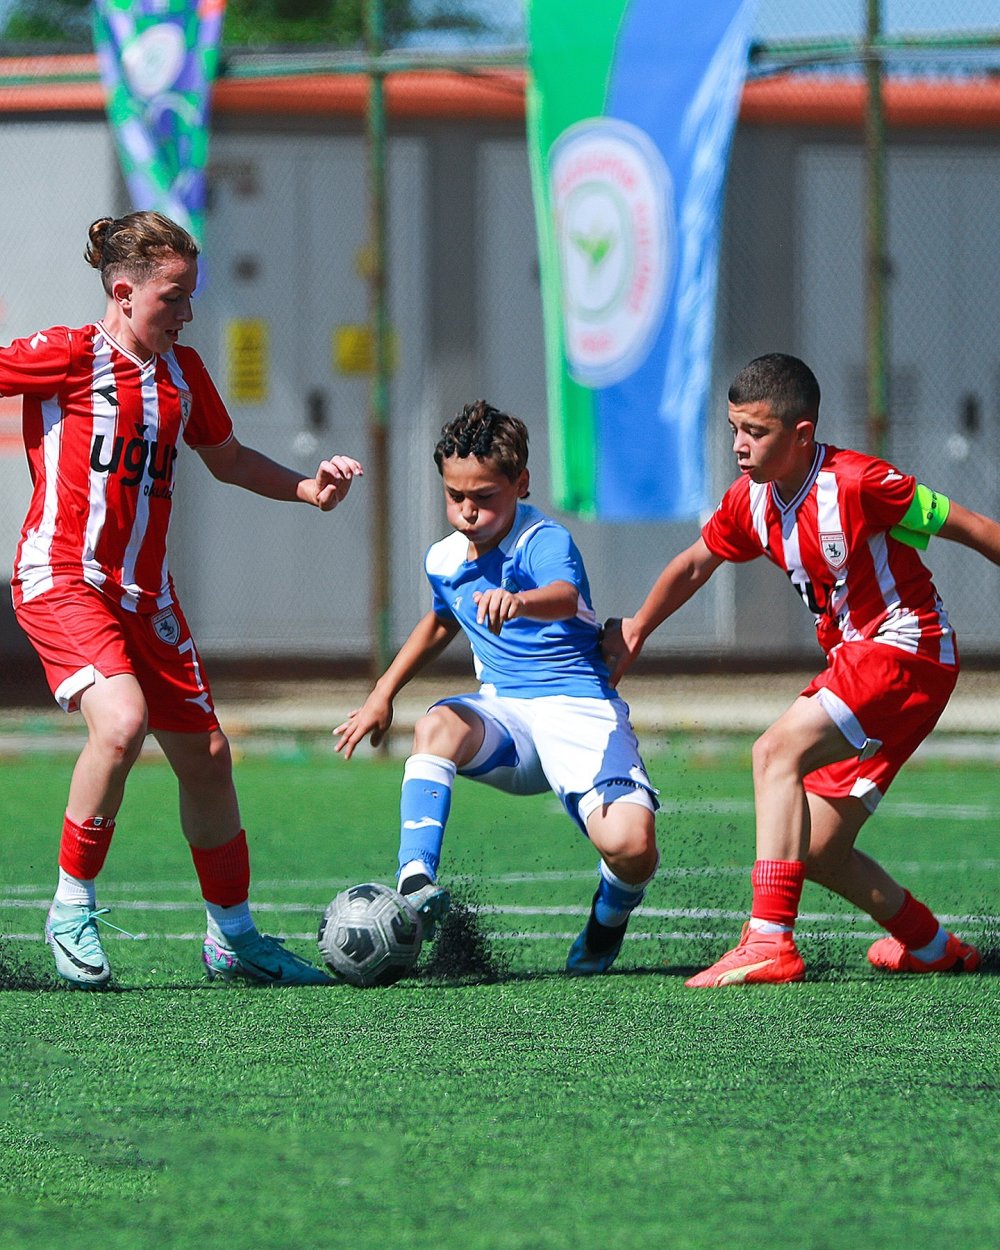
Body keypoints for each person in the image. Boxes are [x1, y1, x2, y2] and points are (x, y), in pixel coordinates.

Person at [6, 211, 363, 989]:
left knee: (207, 759)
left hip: (147, 597)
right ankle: (70, 906)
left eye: (192, 294)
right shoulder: (69, 353)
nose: (189, 312)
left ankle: (232, 939)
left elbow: (227, 458)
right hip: (64, 578)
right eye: (174, 297)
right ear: (124, 293)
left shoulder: (182, 372)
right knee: (121, 722)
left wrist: (307, 488)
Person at [604, 352, 999, 987]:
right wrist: (638, 628)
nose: (738, 445)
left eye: (755, 432)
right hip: (868, 664)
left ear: (802, 434)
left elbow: (974, 527)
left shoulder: (861, 482)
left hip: (907, 648)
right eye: (734, 428)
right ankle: (931, 946)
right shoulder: (750, 501)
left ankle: (769, 941)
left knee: (774, 751)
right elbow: (696, 563)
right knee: (816, 847)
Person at [335, 399, 659, 974]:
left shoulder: (543, 540)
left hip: (577, 710)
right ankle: (415, 880)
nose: (467, 511)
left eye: (484, 497)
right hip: (506, 720)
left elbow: (563, 596)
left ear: (521, 484)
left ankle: (607, 919)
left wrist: (520, 601)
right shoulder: (443, 558)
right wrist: (382, 693)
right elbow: (441, 620)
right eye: (454, 496)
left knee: (632, 848)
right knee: (437, 725)